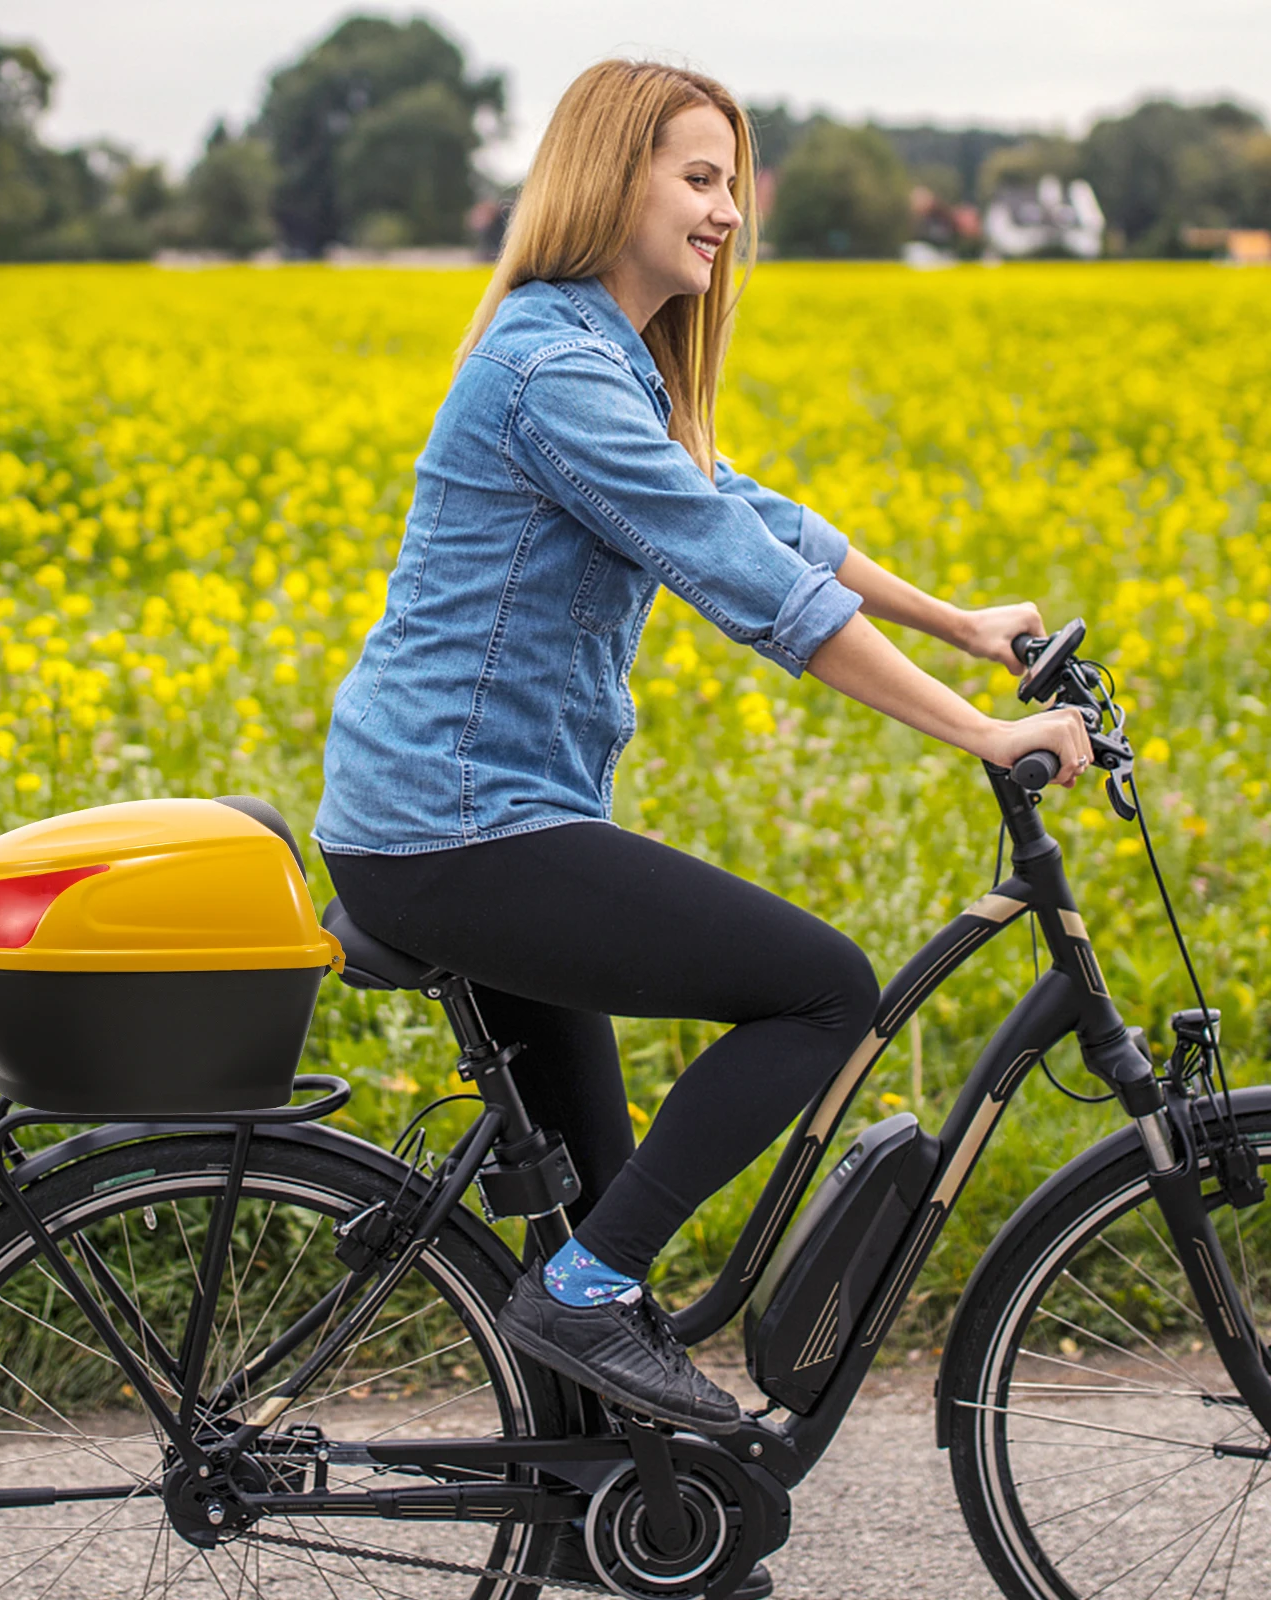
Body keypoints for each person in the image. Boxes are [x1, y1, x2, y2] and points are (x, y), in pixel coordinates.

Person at [311, 60, 1091, 1438]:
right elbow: (741, 572)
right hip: (461, 832)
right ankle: (586, 1298)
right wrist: (980, 730)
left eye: (733, 180)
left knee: (590, 1206)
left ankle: (603, 1509)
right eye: (698, 175)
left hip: (459, 823)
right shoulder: (555, 365)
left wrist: (963, 623)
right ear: (612, 177)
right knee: (819, 994)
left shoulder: (597, 352)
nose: (727, 209)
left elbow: (754, 509)